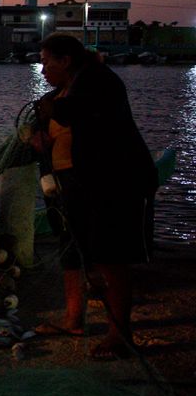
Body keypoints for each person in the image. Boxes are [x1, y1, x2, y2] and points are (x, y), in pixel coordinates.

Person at [29, 32, 157, 360]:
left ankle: (120, 334)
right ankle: (73, 319)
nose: (42, 71)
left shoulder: (98, 81)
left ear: (66, 60)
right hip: (73, 182)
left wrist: (49, 108)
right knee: (73, 250)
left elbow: (70, 113)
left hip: (112, 181)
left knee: (110, 255)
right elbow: (52, 122)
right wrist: (39, 135)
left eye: (46, 62)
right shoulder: (66, 87)